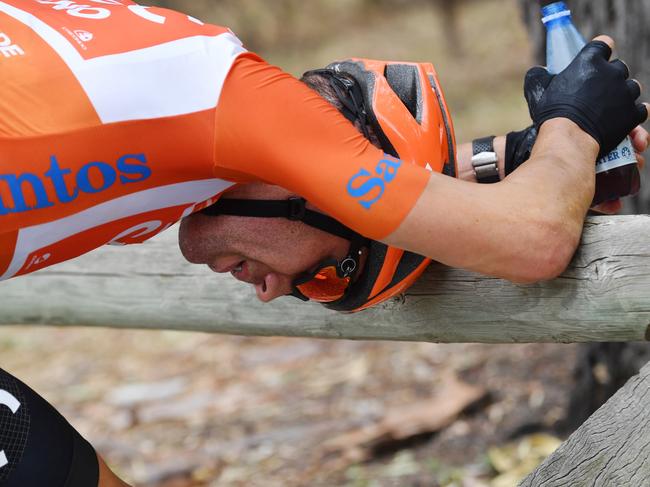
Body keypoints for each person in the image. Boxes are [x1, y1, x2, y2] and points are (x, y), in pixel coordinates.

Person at [0, 1, 647, 486]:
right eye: (330, 274)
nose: (273, 290)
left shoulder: (195, 111)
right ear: (322, 193)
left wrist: (515, 160)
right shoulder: (242, 105)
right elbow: (535, 239)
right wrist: (575, 125)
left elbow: (355, 177)